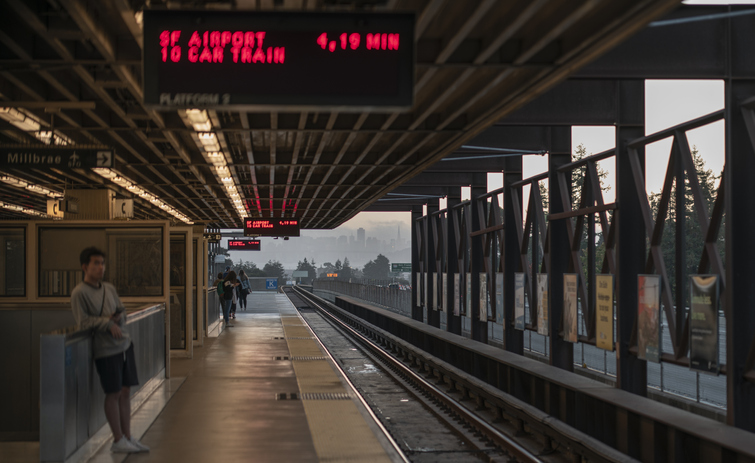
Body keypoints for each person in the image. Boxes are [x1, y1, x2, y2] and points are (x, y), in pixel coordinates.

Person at [70, 247, 149, 454]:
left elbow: (121, 310)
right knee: (113, 392)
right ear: (84, 267)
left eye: (102, 263)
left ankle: (128, 436)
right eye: (96, 263)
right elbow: (83, 321)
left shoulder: (109, 288)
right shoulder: (79, 293)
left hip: (123, 344)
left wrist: (118, 318)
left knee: (125, 391)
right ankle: (117, 439)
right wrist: (107, 323)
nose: (100, 267)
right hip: (105, 349)